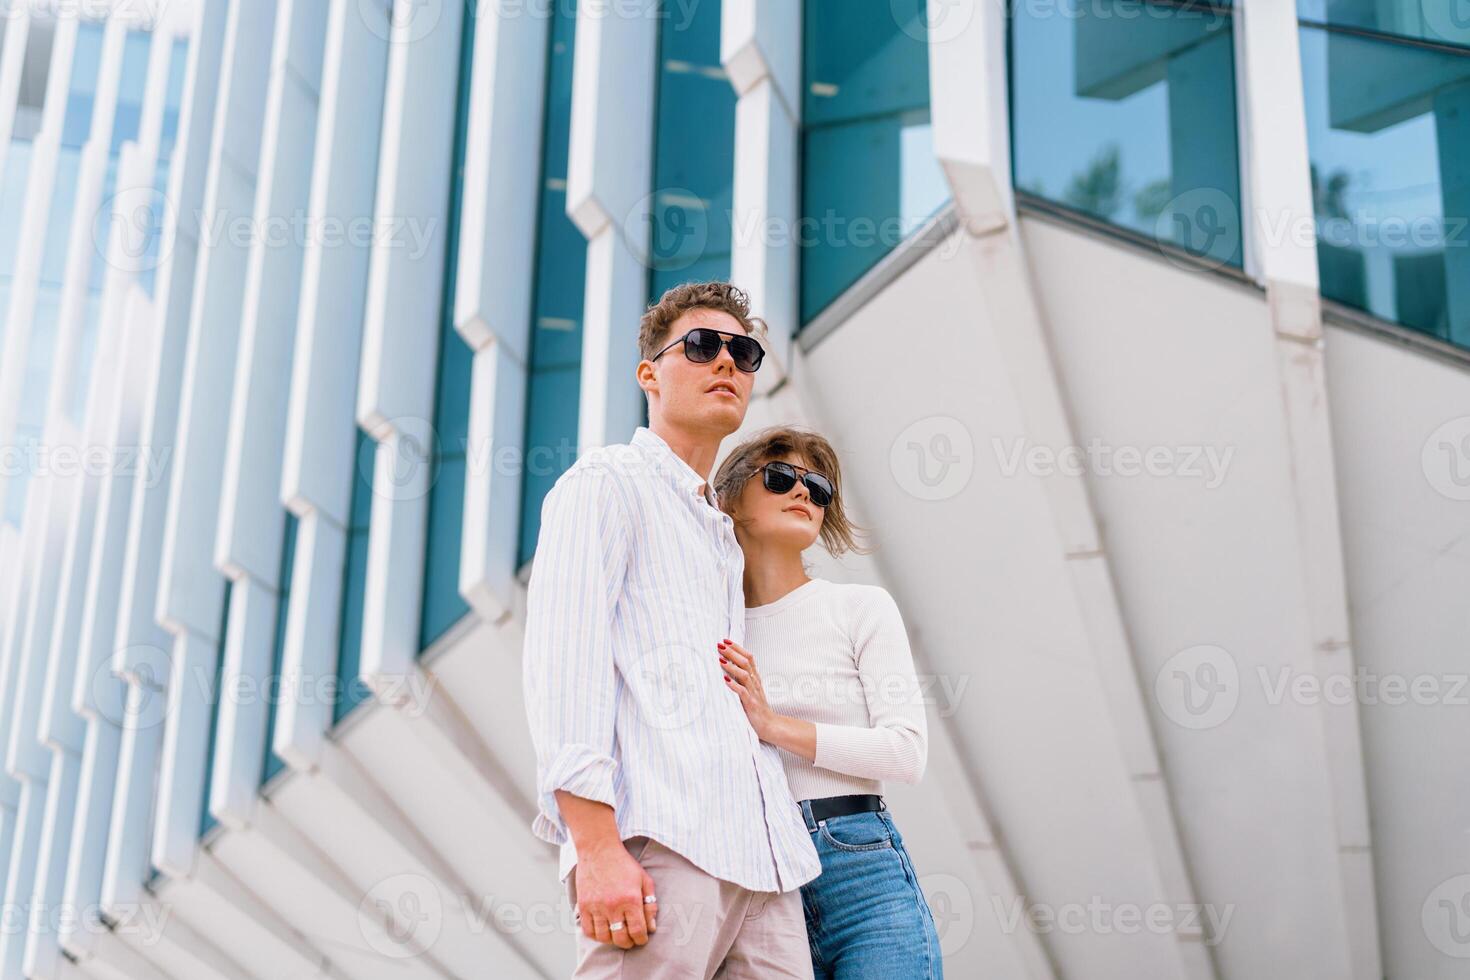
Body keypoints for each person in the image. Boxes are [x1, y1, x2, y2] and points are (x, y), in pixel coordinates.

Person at [522, 282, 821, 979]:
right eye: (703, 345)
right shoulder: (606, 483)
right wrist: (595, 847)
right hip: (663, 846)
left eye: (743, 352)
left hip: (765, 868)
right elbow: (566, 664)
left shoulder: (721, 534)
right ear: (649, 373)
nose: (727, 362)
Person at [711, 427, 945, 979]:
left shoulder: (860, 607)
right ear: (731, 500)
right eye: (780, 477)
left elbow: (905, 752)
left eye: (818, 488)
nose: (803, 494)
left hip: (863, 875)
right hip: (758, 887)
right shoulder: (715, 629)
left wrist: (772, 725)